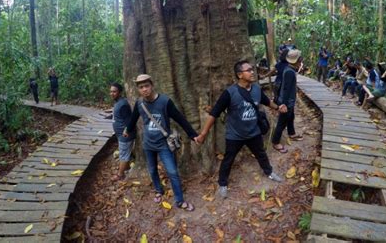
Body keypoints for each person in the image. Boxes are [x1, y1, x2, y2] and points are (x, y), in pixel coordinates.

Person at [195, 60, 286, 198]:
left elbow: (267, 102)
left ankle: (269, 172)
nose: (252, 72)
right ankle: (223, 184)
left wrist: (278, 107)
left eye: (252, 69)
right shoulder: (229, 93)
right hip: (234, 135)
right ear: (239, 75)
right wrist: (203, 134)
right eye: (248, 70)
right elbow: (214, 113)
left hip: (253, 132)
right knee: (228, 159)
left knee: (261, 153)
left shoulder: (256, 89)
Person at [123, 74, 197, 211]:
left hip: (164, 144)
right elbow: (133, 118)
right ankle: (159, 190)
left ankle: (179, 200)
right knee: (152, 169)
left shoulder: (165, 101)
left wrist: (193, 135)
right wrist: (127, 129)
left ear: (152, 85)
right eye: (141, 87)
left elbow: (180, 118)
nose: (144, 89)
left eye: (146, 86)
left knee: (172, 172)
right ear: (138, 90)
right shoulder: (140, 103)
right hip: (148, 144)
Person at [271, 49, 303, 153]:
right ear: (297, 60)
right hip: (286, 101)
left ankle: (292, 133)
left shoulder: (290, 68)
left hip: (289, 101)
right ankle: (275, 142)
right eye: (300, 59)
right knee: (282, 121)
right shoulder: (289, 72)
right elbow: (286, 89)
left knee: (291, 117)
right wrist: (283, 104)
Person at [110, 82, 135, 181]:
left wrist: (126, 131)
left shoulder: (123, 104)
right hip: (120, 134)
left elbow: (129, 120)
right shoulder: (117, 102)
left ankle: (120, 175)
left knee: (123, 155)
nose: (112, 93)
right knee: (124, 153)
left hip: (125, 135)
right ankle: (127, 168)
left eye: (114, 92)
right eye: (111, 91)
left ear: (119, 92)